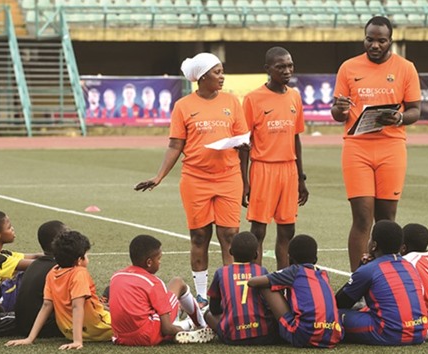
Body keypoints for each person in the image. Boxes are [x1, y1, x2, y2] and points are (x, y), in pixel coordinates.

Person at [134, 52, 249, 307]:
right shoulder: (183, 106)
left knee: (230, 236)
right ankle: (202, 296)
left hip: (229, 177)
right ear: (202, 76)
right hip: (195, 179)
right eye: (217, 72)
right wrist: (159, 176)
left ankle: (229, 294)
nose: (222, 76)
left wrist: (246, 181)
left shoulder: (232, 101)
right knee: (199, 236)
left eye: (221, 71)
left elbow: (243, 141)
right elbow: (176, 144)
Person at [330, 16, 421, 273]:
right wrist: (338, 108)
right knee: (362, 218)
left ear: (390, 40)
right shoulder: (348, 67)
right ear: (364, 38)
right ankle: (358, 280)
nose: (375, 45)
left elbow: (415, 110)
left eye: (381, 40)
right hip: (357, 148)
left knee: (386, 220)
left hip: (391, 147)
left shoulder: (406, 68)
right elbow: (338, 113)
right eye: (370, 39)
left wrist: (400, 117)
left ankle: (386, 278)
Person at [240, 46, 309, 270]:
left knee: (288, 229)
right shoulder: (252, 99)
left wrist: (301, 177)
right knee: (258, 230)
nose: (287, 71)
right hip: (263, 169)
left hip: (288, 170)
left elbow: (296, 139)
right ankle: (257, 282)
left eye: (290, 66)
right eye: (281, 67)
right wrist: (244, 181)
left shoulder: (295, 97)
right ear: (268, 69)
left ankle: (283, 280)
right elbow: (243, 145)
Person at [5, 230, 112, 349]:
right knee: (119, 302)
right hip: (98, 328)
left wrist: (30, 338)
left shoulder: (52, 273)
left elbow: (46, 306)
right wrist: (78, 341)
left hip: (68, 331)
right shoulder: (79, 273)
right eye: (86, 255)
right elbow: (77, 306)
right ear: (79, 260)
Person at [109, 234, 216, 346]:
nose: (160, 262)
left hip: (120, 337)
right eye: (159, 258)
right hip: (147, 336)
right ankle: (199, 325)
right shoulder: (153, 282)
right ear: (149, 262)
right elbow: (166, 329)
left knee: (159, 309)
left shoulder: (116, 277)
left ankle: (184, 319)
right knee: (177, 282)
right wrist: (180, 330)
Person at [337, 220, 428, 345]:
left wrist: (360, 267)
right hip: (420, 331)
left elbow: (340, 302)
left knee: (333, 316)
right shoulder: (409, 266)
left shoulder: (369, 269)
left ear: (374, 245)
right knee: (364, 310)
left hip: (390, 332)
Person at [248, 234, 343, 348]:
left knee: (266, 285)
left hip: (304, 335)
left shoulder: (294, 271)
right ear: (315, 259)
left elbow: (252, 282)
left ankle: (268, 319)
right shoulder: (323, 274)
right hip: (334, 334)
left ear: (290, 258)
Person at [205, 231, 277, 345]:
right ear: (256, 255)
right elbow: (269, 305)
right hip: (264, 335)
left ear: (230, 251)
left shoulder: (221, 273)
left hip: (232, 337)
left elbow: (214, 309)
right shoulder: (261, 271)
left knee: (207, 314)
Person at [0, 210, 42, 311]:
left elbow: (35, 256)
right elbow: (39, 264)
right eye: (9, 227)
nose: (12, 229)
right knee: (25, 274)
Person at [14, 220, 68, 338]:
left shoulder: (35, 264)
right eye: (67, 236)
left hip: (23, 325)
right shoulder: (58, 269)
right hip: (43, 328)